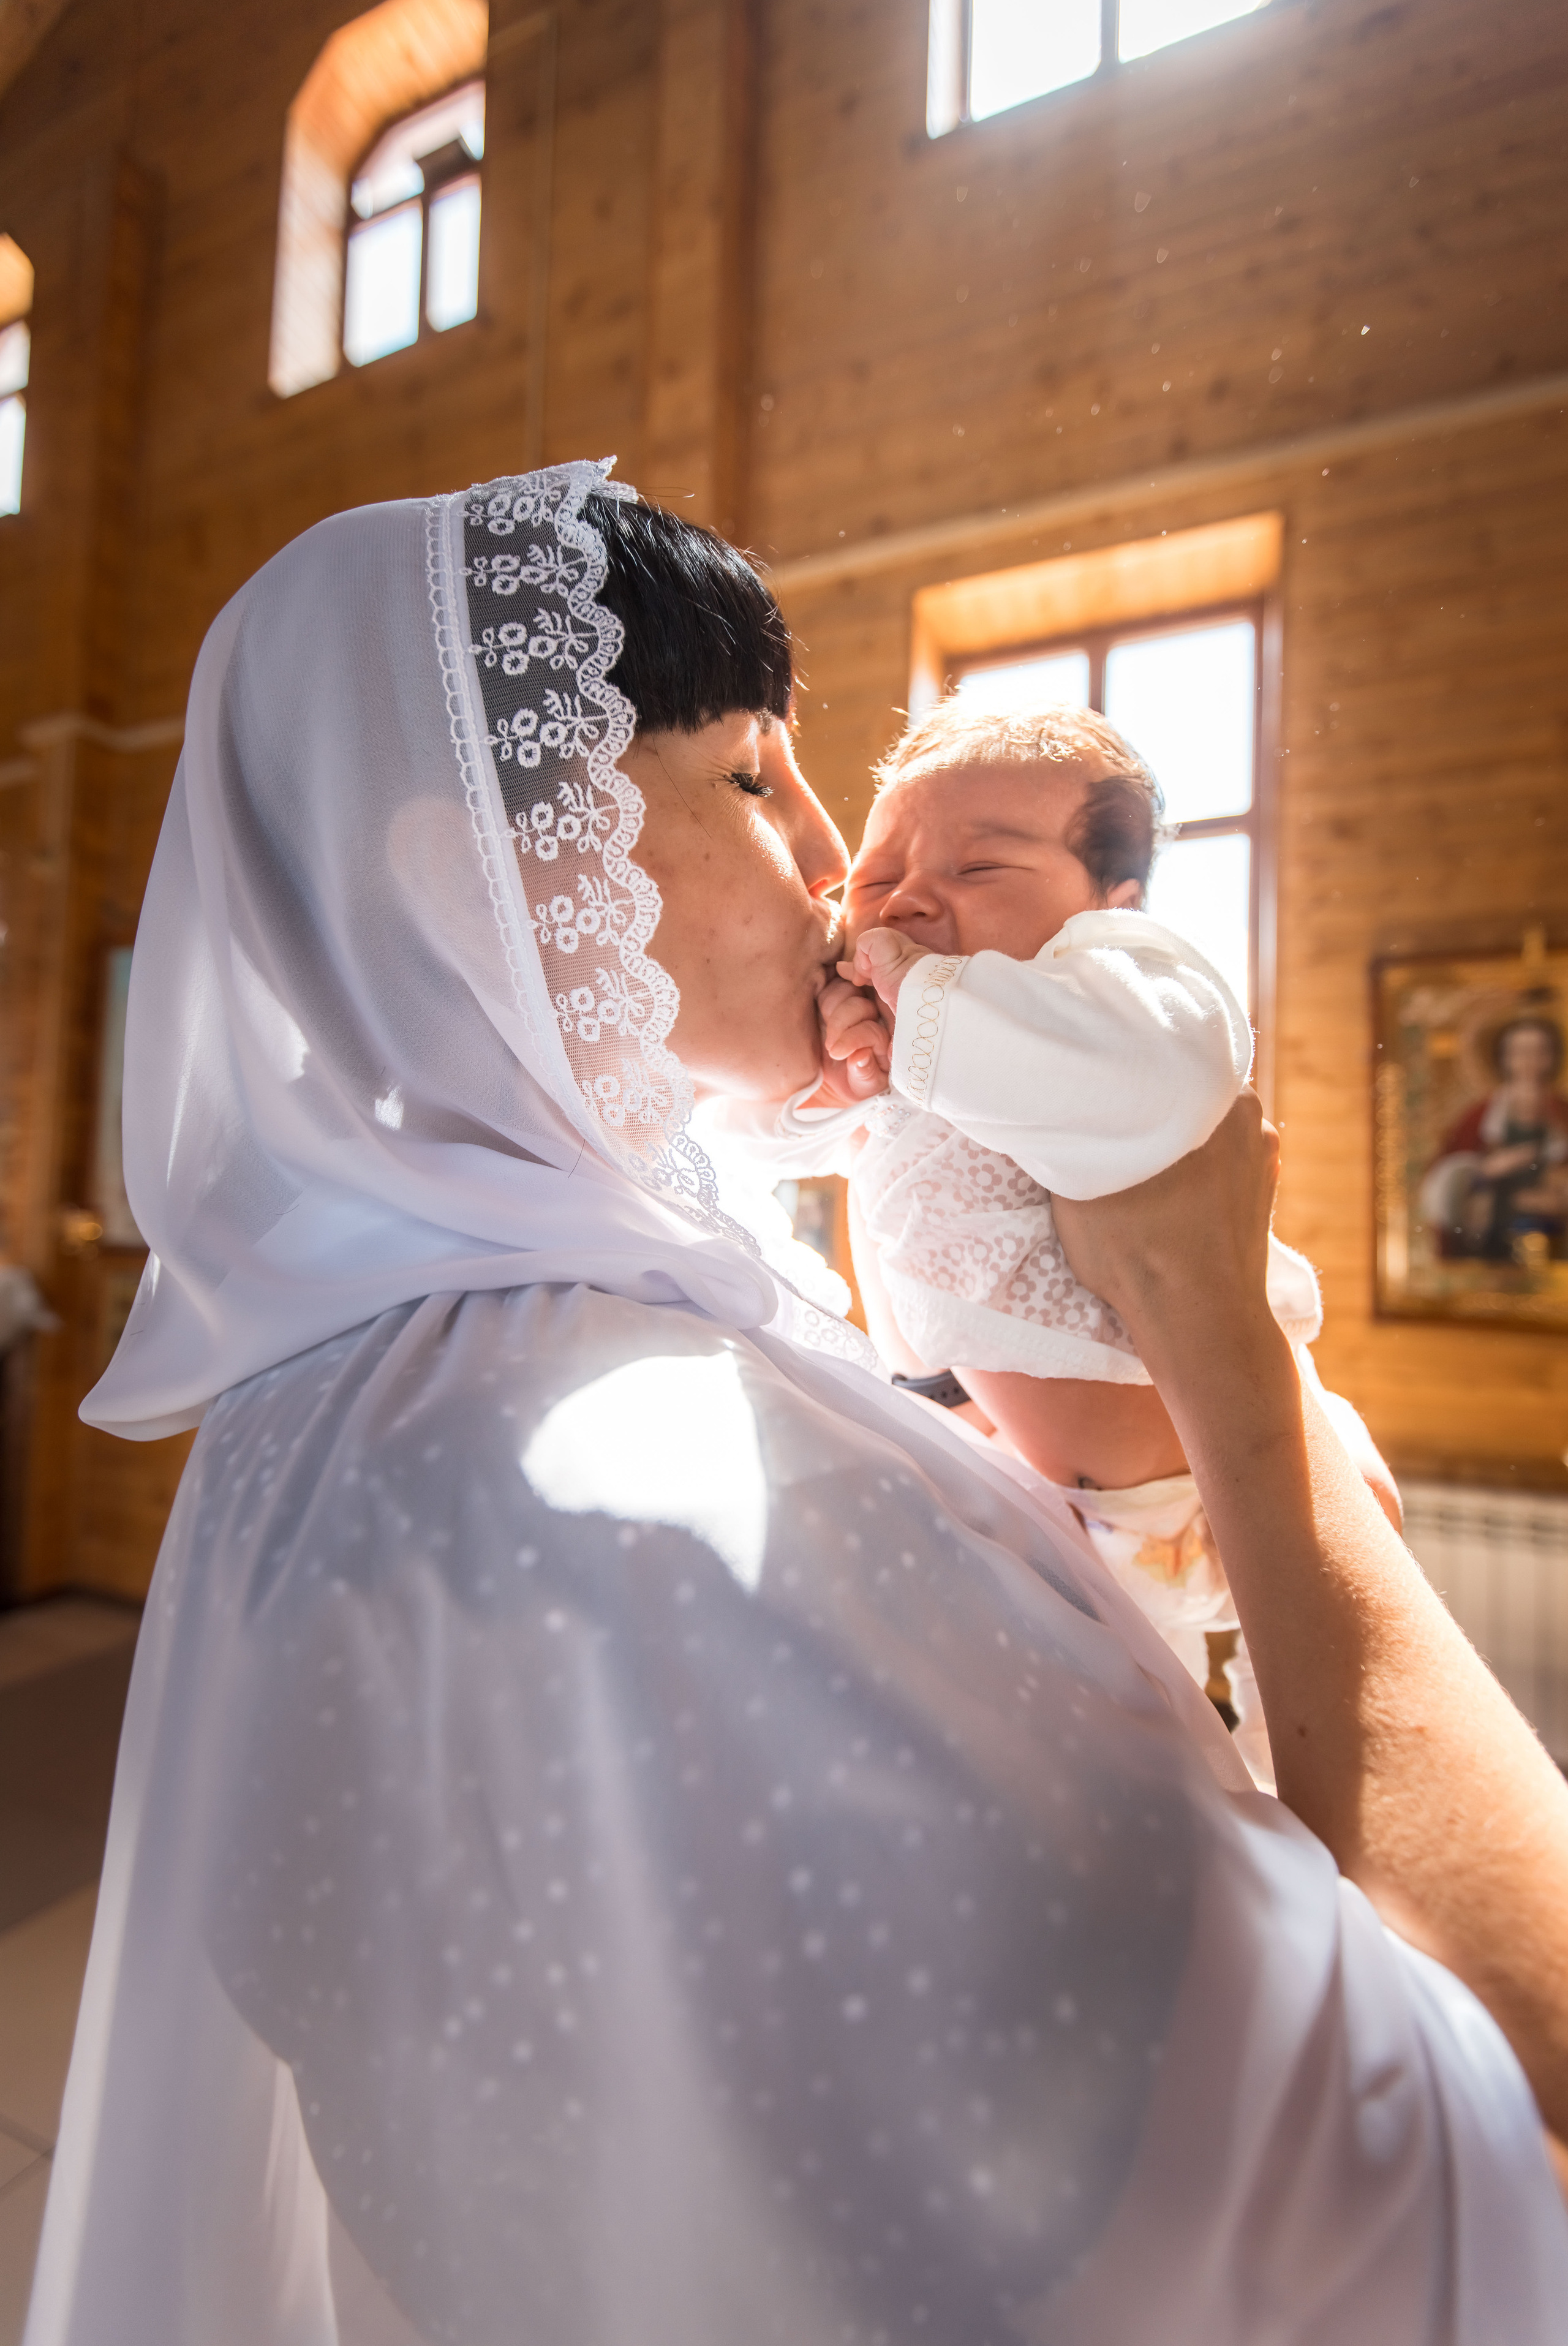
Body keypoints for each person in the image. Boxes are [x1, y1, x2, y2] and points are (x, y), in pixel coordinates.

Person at [26, 464, 1568, 2346]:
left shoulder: (340, 1406)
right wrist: (1223, 1332)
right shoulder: (656, 1488)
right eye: (757, 776)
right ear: (498, 880)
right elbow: (1498, 2110)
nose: (842, 858)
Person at [704, 699, 1390, 1786]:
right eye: (878, 877)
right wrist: (823, 1080)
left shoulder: (1112, 994)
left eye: (982, 868)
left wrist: (920, 1013)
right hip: (1054, 1500)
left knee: (1328, 1678)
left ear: (1111, 902)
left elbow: (1166, 1080)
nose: (914, 897)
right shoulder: (895, 1033)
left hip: (1221, 1458)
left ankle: (1314, 1785)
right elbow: (747, 1127)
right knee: (1135, 1754)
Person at [1420, 1013, 1568, 1262]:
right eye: (1520, 1052)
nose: (1530, 1062)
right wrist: (1486, 1170)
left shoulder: (1563, 1114)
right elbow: (1444, 1185)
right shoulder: (1478, 1118)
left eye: (1540, 1052)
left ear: (1553, 1058)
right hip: (1492, 1242)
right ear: (1504, 1058)